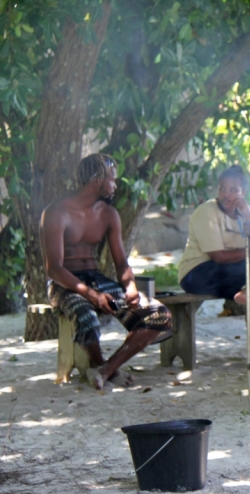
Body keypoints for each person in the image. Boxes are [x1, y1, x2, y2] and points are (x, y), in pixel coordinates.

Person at [40, 154, 172, 390]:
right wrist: (92, 295)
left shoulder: (109, 214)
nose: (115, 185)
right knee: (87, 317)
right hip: (63, 283)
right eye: (112, 179)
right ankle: (102, 365)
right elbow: (54, 268)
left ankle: (106, 369)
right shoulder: (56, 212)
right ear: (97, 181)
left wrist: (130, 287)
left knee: (159, 314)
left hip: (96, 279)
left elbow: (121, 263)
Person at [178, 165, 250, 366]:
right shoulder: (206, 211)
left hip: (231, 272)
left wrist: (247, 216)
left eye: (233, 190)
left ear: (244, 192)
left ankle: (248, 291)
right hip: (198, 272)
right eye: (222, 188)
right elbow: (218, 257)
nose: (226, 194)